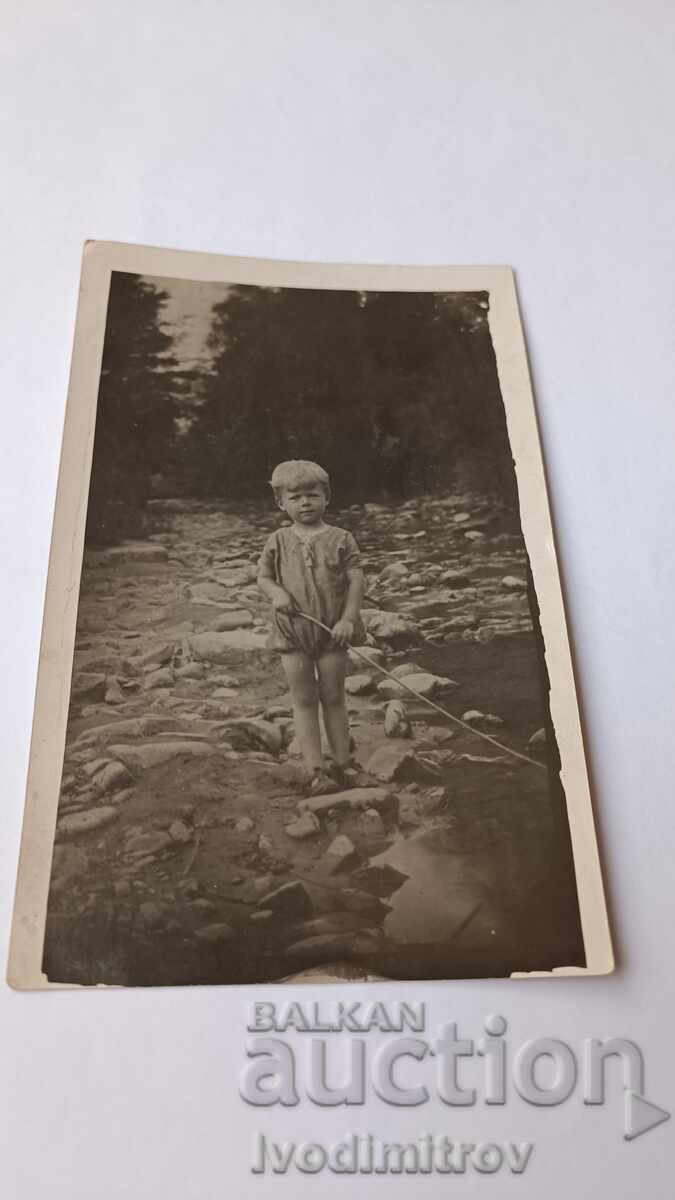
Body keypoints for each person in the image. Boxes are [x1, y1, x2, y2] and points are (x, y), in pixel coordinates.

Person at [257, 460, 366, 795]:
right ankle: (315, 769)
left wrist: (348, 618)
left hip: (333, 632)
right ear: (281, 503)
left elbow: (356, 578)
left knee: (334, 697)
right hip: (292, 632)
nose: (305, 502)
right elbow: (263, 576)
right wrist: (276, 593)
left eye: (312, 495)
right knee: (304, 699)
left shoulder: (341, 538)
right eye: (295, 497)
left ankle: (344, 763)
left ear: (326, 497)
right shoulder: (277, 540)